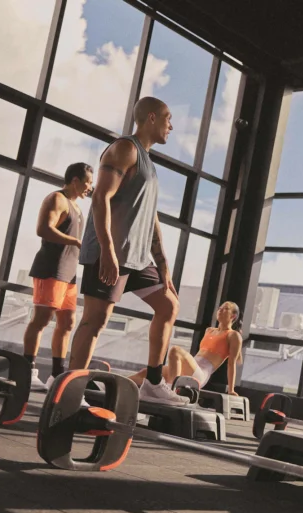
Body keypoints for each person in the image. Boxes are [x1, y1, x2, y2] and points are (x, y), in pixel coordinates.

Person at [67, 96, 186, 406]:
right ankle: (72, 389)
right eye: (167, 118)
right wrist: (107, 251)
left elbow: (152, 218)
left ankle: (153, 382)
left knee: (168, 306)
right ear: (149, 118)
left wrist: (163, 266)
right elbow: (100, 198)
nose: (171, 126)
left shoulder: (148, 163)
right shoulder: (125, 148)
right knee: (95, 321)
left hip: (137, 257)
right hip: (111, 253)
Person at [22, 162, 92, 391]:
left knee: (67, 323)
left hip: (69, 273)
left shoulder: (78, 207)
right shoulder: (56, 199)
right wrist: (75, 241)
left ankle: (56, 375)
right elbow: (43, 229)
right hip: (51, 268)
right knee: (41, 320)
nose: (89, 188)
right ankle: (27, 371)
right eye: (87, 182)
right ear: (75, 180)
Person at [129, 302, 243, 394]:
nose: (220, 310)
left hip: (200, 374)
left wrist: (231, 389)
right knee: (146, 373)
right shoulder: (209, 330)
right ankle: (116, 382)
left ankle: (170, 390)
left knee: (175, 351)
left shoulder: (233, 335)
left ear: (233, 316)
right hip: (187, 368)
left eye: (225, 309)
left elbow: (231, 363)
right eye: (220, 307)